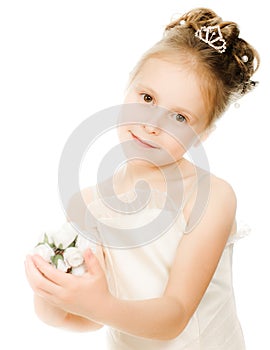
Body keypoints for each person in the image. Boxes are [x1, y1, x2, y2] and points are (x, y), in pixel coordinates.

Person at [25, 7, 259, 349]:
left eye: (179, 117)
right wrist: (52, 297)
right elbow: (92, 317)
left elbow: (174, 316)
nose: (152, 124)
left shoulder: (210, 197)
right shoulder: (90, 203)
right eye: (147, 98)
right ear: (128, 88)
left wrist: (98, 304)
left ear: (203, 135)